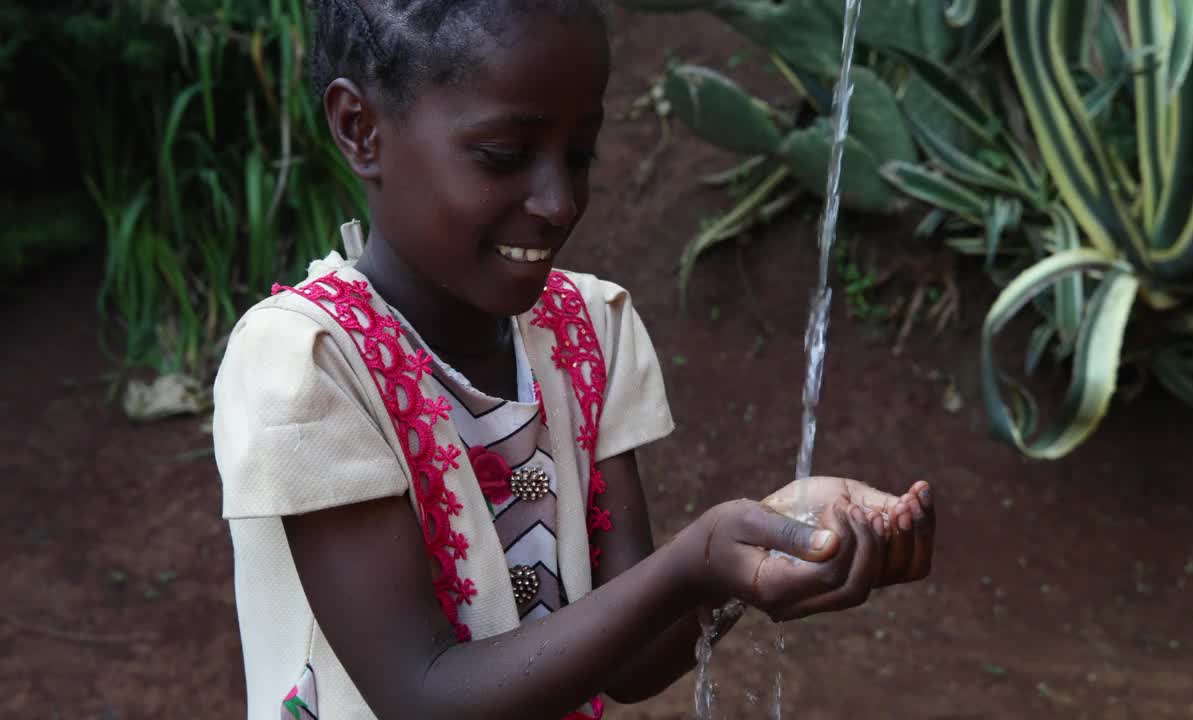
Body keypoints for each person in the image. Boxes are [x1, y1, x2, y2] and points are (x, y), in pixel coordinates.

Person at [211, 0, 937, 717]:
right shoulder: (309, 364)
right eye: (505, 156)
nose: (560, 202)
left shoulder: (586, 331)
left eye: (580, 155)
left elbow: (630, 664)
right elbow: (420, 694)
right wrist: (695, 560)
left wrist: (764, 542)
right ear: (360, 128)